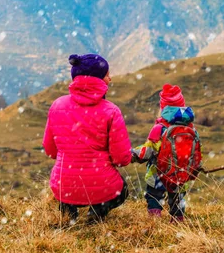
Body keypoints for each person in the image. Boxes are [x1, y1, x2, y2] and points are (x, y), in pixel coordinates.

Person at [43, 54, 132, 223]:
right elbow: (121, 159)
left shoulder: (57, 105)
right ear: (97, 79)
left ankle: (69, 213)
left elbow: (50, 149)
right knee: (123, 190)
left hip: (63, 185)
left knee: (67, 187)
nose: (110, 78)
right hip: (101, 184)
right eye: (106, 74)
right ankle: (97, 213)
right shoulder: (111, 111)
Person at [132, 84, 202, 223]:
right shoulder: (191, 129)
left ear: (163, 108)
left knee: (154, 196)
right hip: (181, 174)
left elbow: (148, 150)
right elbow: (196, 151)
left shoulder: (159, 128)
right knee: (177, 198)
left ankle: (155, 221)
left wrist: (133, 154)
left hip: (158, 173)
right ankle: (178, 221)